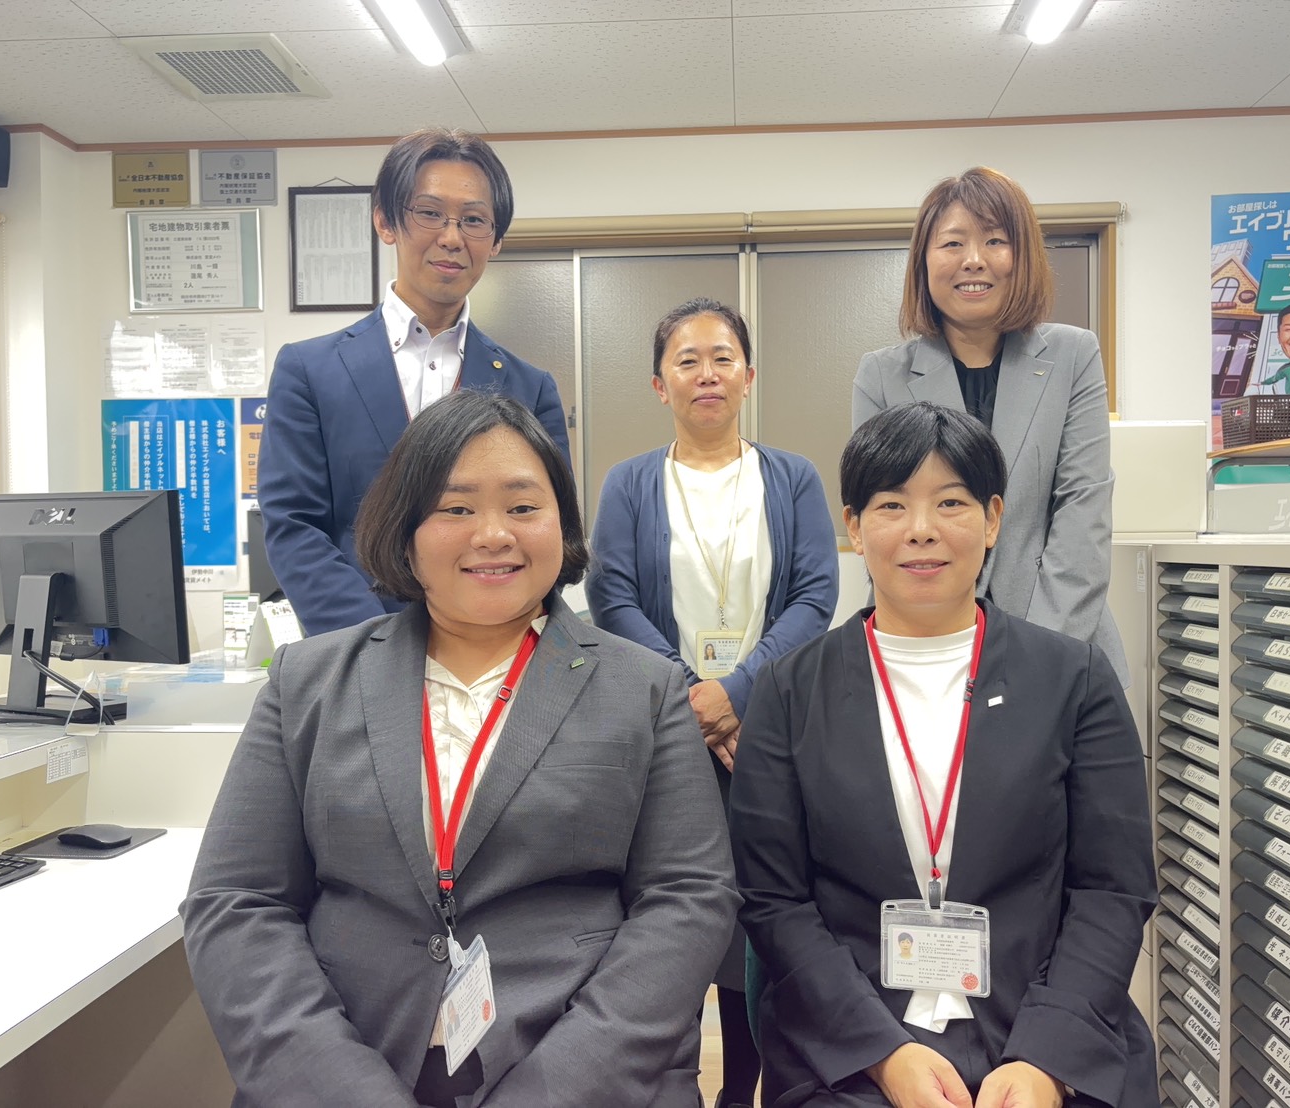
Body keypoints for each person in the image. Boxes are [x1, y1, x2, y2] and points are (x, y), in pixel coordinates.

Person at [183, 391, 737, 1108]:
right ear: (405, 531)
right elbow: (236, 901)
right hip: (351, 1062)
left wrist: (550, 1093)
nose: (493, 534)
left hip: (580, 1073)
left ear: (561, 526)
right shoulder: (308, 682)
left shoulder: (645, 688)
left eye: (522, 506)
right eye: (456, 508)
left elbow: (688, 901)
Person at [730, 402, 1157, 1108]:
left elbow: (1112, 892)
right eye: (892, 504)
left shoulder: (1073, 679)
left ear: (992, 519)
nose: (921, 529)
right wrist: (883, 1057)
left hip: (1045, 1033)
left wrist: (1042, 1061)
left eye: (950, 502)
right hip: (850, 1047)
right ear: (854, 526)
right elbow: (775, 901)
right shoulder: (789, 689)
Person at [587, 297, 839, 1108]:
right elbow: (612, 596)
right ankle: (666, 1079)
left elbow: (813, 595)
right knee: (669, 905)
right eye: (686, 359)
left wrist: (736, 693)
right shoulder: (629, 482)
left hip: (764, 733)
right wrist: (687, 699)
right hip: (667, 734)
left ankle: (747, 1084)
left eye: (722, 356)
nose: (706, 373)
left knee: (760, 910)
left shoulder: (791, 476)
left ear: (749, 376)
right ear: (659, 384)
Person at [258, 127, 570, 637]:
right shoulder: (309, 371)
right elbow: (294, 525)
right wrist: (374, 645)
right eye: (429, 213)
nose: (451, 237)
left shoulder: (530, 387)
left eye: (473, 220)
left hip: (493, 654)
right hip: (356, 652)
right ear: (385, 221)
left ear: (495, 241)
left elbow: (549, 528)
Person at [852, 166, 1127, 684]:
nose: (973, 260)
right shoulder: (882, 375)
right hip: (922, 647)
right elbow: (883, 517)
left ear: (1022, 256)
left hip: (1062, 644)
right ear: (924, 263)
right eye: (952, 243)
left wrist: (1039, 653)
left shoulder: (1074, 355)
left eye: (995, 240)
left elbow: (1083, 508)